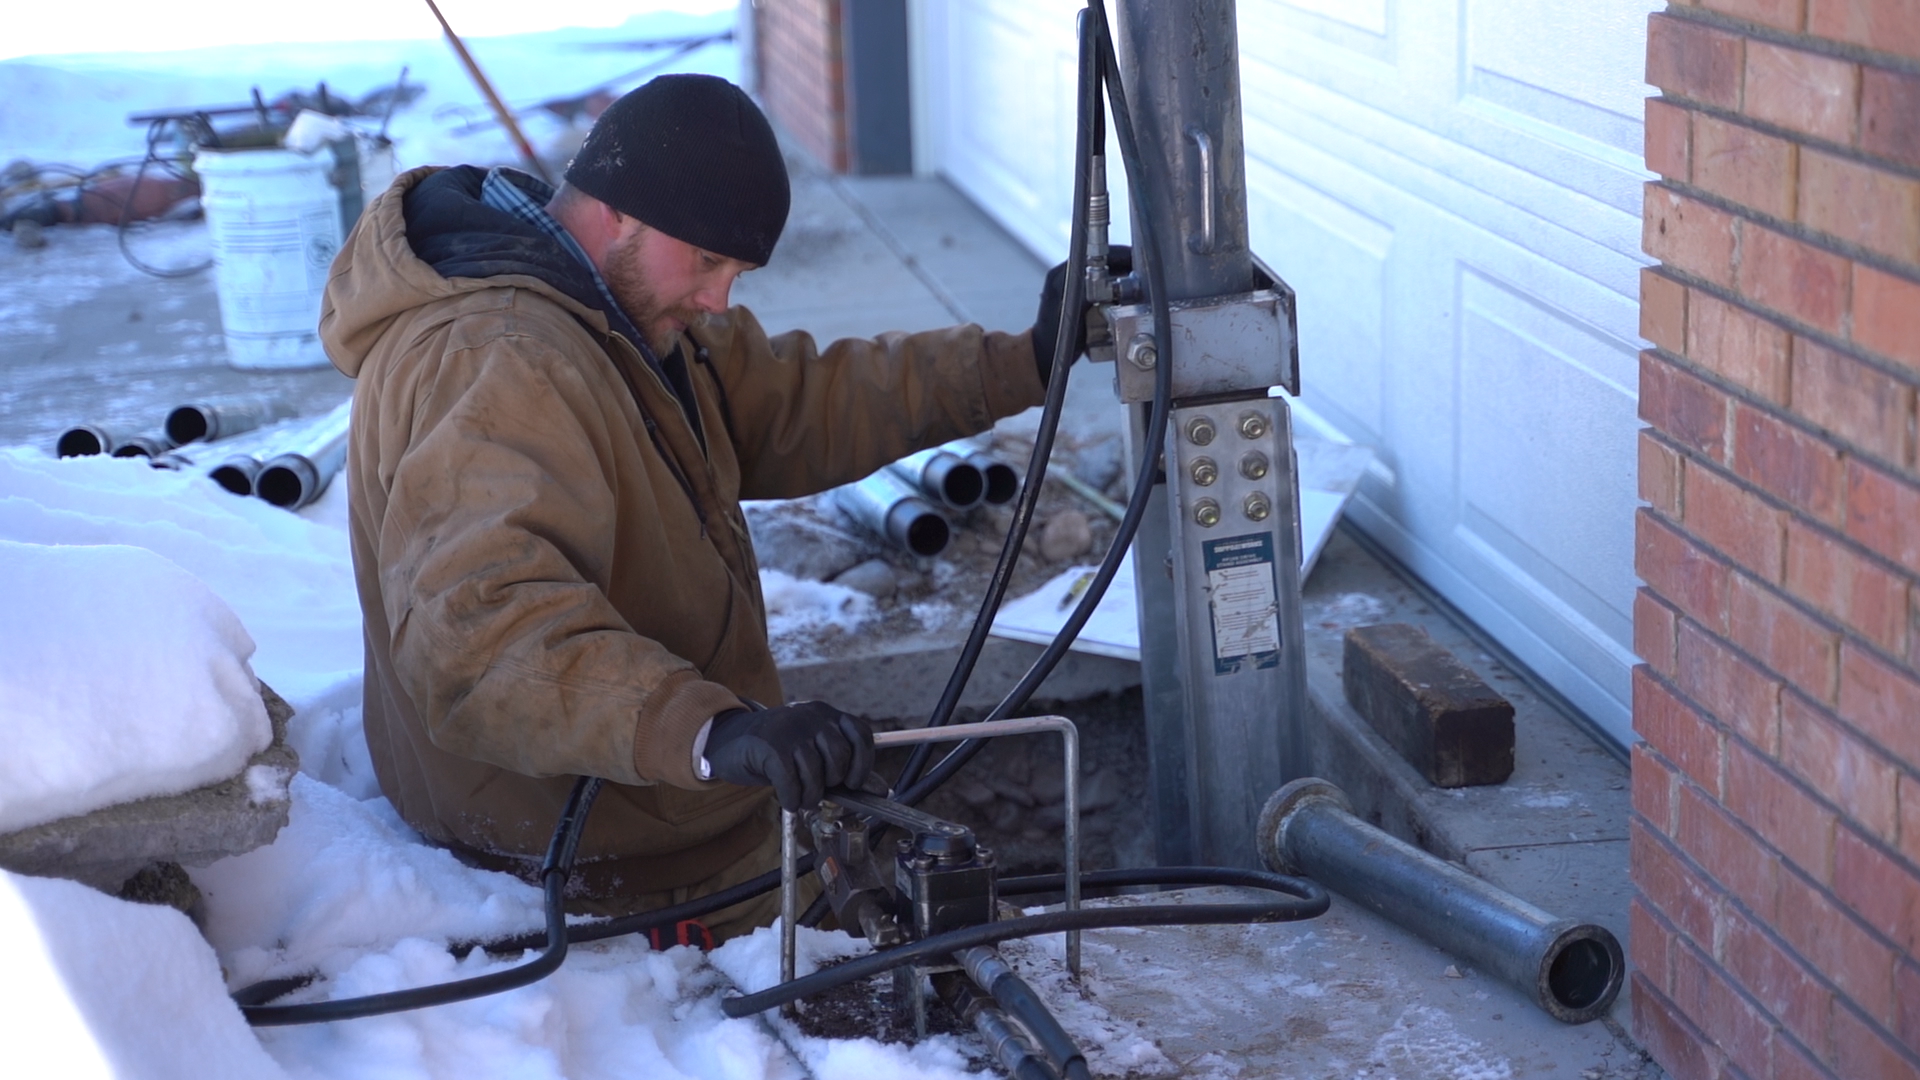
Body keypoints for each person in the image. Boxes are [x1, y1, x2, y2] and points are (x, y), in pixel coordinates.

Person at [319, 74, 1089, 940]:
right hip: (595, 869)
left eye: (738, 270)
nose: (721, 299)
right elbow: (484, 636)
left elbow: (801, 399)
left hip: (669, 812)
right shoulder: (499, 358)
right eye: (710, 262)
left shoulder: (610, 311)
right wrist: (707, 731)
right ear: (619, 214)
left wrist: (1025, 358)